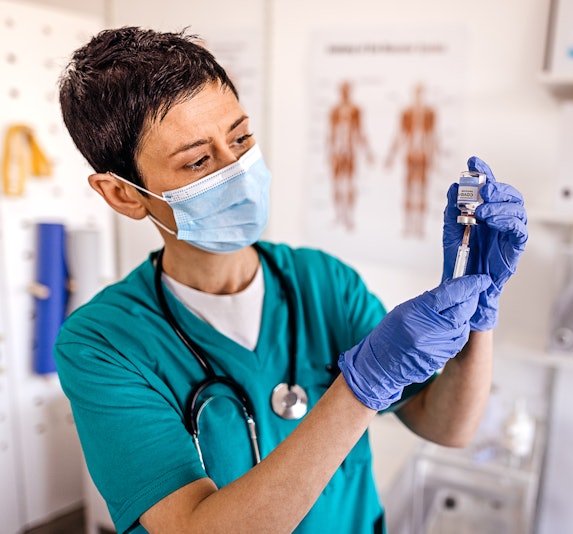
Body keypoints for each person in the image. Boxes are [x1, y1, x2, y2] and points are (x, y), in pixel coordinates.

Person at [54, 27, 527, 534]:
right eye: (197, 161)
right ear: (124, 195)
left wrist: (480, 308)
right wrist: (362, 389)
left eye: (239, 138)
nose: (236, 169)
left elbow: (447, 425)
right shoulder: (101, 344)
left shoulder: (323, 282)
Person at [385, 83, 438, 239]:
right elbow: (400, 135)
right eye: (416, 92)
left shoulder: (429, 113)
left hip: (423, 155)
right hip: (410, 155)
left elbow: (433, 136)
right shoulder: (407, 112)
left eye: (421, 92)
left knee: (422, 192)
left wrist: (436, 159)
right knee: (409, 191)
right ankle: (408, 226)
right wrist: (391, 157)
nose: (418, 95)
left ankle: (420, 226)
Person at [327, 80, 372, 231]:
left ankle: (349, 216)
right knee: (337, 184)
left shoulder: (355, 110)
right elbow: (331, 133)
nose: (345, 92)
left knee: (350, 184)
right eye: (343, 90)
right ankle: (339, 215)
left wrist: (367, 153)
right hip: (337, 151)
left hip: (350, 151)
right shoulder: (335, 110)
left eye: (347, 90)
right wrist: (330, 152)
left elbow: (360, 131)